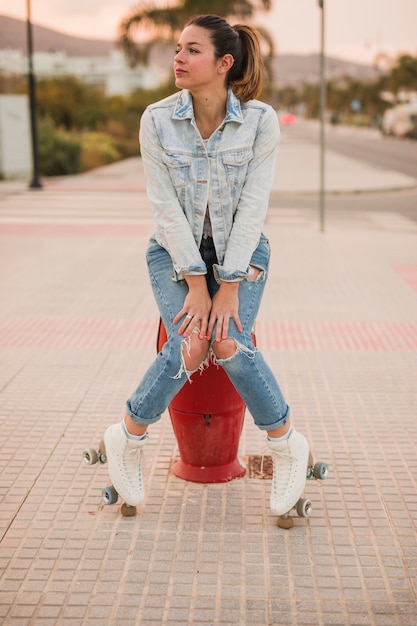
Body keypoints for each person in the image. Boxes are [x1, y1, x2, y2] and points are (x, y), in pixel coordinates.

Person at [104, 14, 309, 517]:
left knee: (229, 341)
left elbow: (253, 209)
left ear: (224, 63)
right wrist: (198, 282)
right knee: (191, 344)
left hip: (244, 253)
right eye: (178, 48)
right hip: (172, 254)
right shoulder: (156, 119)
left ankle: (287, 447)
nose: (178, 57)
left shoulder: (260, 121)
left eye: (192, 50)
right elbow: (165, 209)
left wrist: (229, 284)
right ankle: (127, 437)